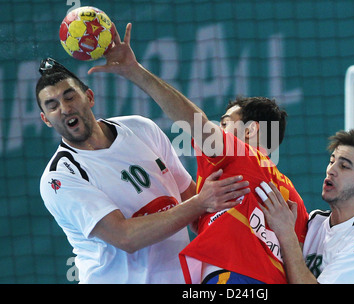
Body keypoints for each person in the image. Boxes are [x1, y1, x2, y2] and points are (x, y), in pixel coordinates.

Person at [88, 23, 309, 284]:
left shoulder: (239, 154)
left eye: (226, 123)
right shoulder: (296, 202)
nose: (219, 129)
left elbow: (194, 121)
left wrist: (134, 71)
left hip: (232, 279)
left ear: (250, 131)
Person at [37, 37, 250, 283]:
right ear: (45, 119)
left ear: (90, 97)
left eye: (69, 97)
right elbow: (125, 237)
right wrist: (201, 203)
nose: (64, 108)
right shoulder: (60, 177)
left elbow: (193, 206)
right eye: (52, 106)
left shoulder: (141, 128)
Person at [256, 129, 354, 284]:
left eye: (344, 166)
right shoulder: (316, 222)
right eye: (332, 161)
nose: (331, 170)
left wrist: (287, 236)